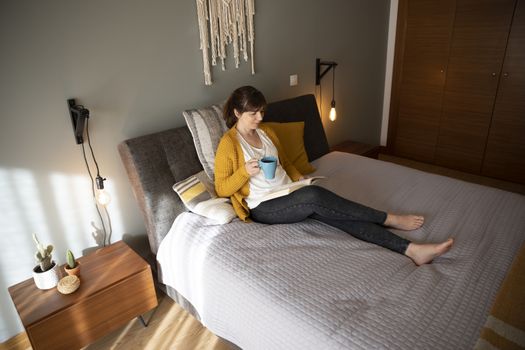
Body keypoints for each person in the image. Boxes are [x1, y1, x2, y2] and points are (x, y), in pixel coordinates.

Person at [214, 86, 453, 265]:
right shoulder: (229, 143)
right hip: (263, 206)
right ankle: (388, 218)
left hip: (290, 192)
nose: (260, 118)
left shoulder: (266, 132)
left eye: (261, 112)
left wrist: (298, 178)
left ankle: (411, 250)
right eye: (253, 114)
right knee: (315, 196)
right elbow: (222, 188)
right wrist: (244, 172)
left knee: (340, 216)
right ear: (237, 113)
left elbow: (284, 162)